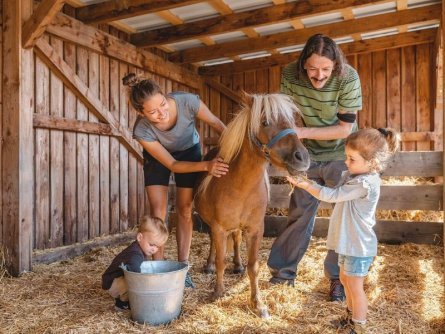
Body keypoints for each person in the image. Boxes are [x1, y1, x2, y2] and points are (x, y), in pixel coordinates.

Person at [267, 33, 363, 301]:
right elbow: (287, 114)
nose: (319, 76)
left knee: (343, 217)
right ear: (302, 65)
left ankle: (338, 279)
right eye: (312, 69)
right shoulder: (289, 74)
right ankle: (282, 274)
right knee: (299, 214)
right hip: (305, 155)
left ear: (335, 66)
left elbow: (345, 129)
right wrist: (293, 148)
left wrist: (303, 133)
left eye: (325, 70)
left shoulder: (348, 78)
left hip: (342, 155)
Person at [286, 127, 400, 334]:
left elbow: (331, 196)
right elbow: (334, 191)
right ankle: (350, 317)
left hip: (358, 245)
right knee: (346, 280)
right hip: (348, 242)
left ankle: (359, 326)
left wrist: (305, 185)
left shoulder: (365, 183)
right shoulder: (355, 176)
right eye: (346, 157)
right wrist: (308, 182)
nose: (346, 163)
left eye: (352, 159)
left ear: (372, 162)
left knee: (356, 287)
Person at [123, 73, 229, 288]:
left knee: (185, 208)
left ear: (165, 95)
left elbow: (218, 125)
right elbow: (171, 165)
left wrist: (233, 148)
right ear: (140, 113)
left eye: (163, 105)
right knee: (158, 212)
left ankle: (183, 267)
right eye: (152, 112)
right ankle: (159, 268)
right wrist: (207, 166)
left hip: (189, 150)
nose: (161, 113)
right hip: (160, 157)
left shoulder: (188, 102)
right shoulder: (142, 130)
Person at [102, 216, 169, 311]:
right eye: (152, 244)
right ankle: (122, 304)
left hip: (117, 278)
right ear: (140, 237)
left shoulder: (140, 248)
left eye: (157, 246)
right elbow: (135, 276)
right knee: (132, 285)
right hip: (112, 281)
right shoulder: (135, 255)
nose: (154, 249)